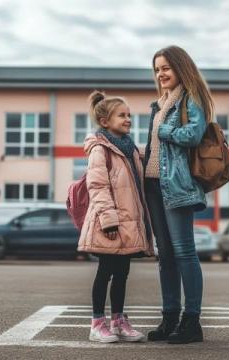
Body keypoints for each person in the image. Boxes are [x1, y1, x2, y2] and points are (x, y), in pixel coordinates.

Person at [144, 45, 214, 344]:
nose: (161, 73)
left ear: (180, 68)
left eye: (166, 68)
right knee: (165, 256)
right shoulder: (158, 104)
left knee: (184, 251)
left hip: (176, 184)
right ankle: (170, 318)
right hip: (152, 184)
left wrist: (165, 132)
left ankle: (191, 322)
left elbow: (194, 135)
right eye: (157, 69)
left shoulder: (190, 98)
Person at [77, 90, 154, 343]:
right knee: (105, 272)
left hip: (127, 224)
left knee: (122, 273)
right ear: (104, 122)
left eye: (129, 115)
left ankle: (119, 321)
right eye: (122, 115)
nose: (128, 119)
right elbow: (97, 186)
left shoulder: (129, 148)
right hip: (108, 223)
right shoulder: (100, 149)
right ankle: (97, 323)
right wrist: (109, 220)